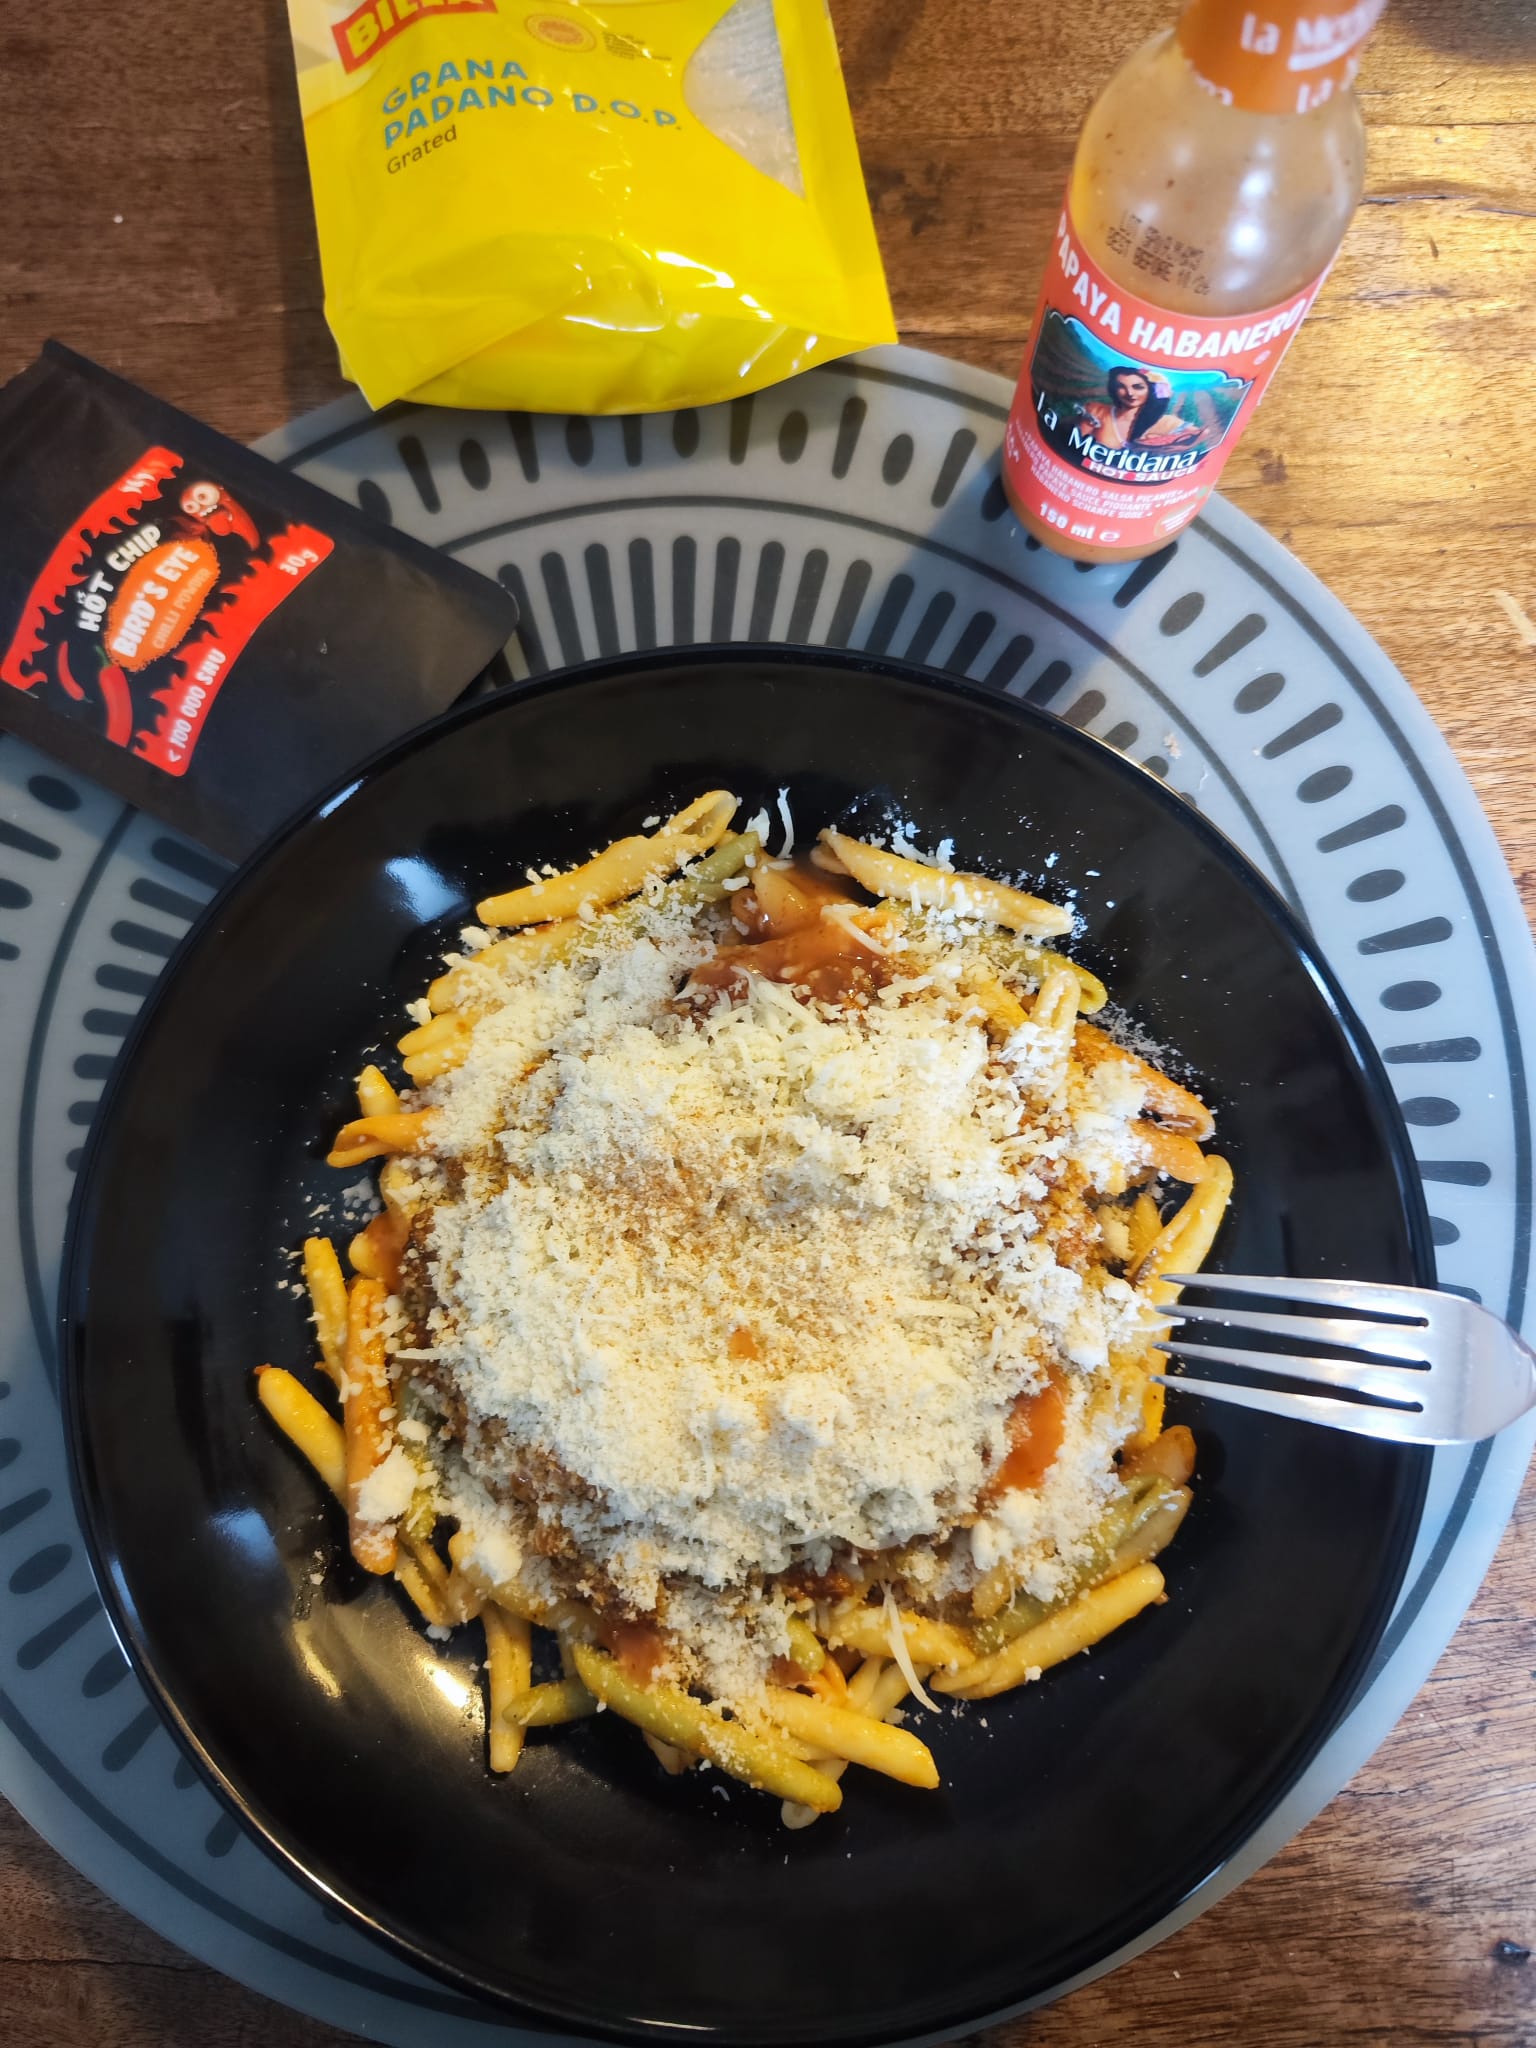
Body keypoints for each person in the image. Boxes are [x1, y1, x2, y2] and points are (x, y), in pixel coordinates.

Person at [1076, 368, 1208, 451]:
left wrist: (1180, 445)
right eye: (1121, 387)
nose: (1130, 393)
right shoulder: (1097, 411)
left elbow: (1202, 433)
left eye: (1138, 387)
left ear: (1151, 391)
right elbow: (1076, 442)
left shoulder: (1166, 422)